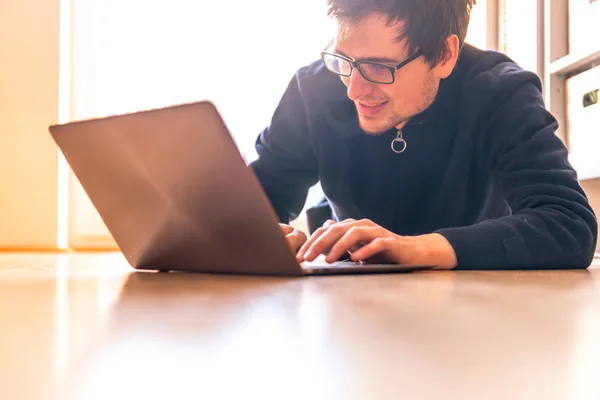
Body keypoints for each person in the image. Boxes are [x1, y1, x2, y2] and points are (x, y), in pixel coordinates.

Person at [249, 0, 598, 270]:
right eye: (343, 59)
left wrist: (417, 248)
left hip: (479, 308)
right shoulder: (313, 88)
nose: (354, 89)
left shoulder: (500, 91)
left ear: (445, 56)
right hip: (351, 309)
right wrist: (262, 232)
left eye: (379, 67)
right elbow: (258, 198)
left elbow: (569, 224)